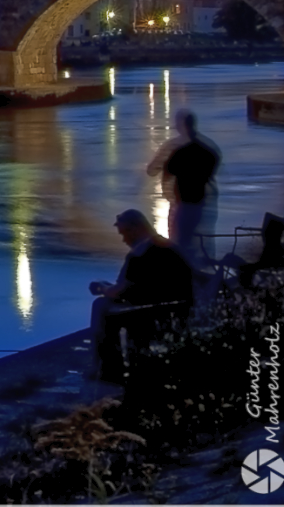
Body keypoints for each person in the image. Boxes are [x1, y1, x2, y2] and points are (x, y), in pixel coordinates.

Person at [88, 209, 193, 382]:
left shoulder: (139, 253)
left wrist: (101, 288)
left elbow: (119, 290)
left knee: (101, 306)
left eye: (124, 234)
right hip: (179, 308)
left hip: (152, 312)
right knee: (112, 303)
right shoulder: (168, 246)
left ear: (136, 229)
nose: (124, 240)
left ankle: (103, 369)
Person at [146, 109, 221, 267]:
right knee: (204, 244)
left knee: (179, 242)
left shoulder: (174, 148)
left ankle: (183, 278)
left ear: (180, 125)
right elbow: (214, 168)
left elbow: (152, 170)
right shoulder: (209, 147)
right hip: (207, 203)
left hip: (182, 203)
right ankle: (207, 277)